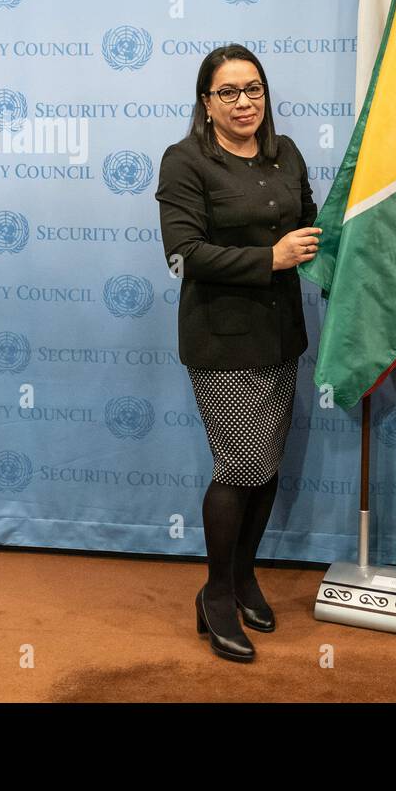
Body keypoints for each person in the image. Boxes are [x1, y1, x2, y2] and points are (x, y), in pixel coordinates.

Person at [155, 44, 321, 662]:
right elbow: (183, 254)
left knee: (266, 466)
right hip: (221, 341)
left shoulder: (287, 153)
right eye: (228, 92)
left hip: (281, 336)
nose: (244, 102)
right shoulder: (185, 162)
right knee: (239, 467)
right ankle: (217, 594)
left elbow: (308, 224)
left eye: (253, 89)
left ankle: (245, 573)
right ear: (206, 102)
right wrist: (268, 258)